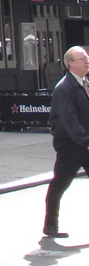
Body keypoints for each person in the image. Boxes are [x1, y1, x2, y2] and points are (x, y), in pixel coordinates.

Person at [43, 45, 89, 238]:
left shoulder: (85, 82)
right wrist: (85, 141)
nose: (87, 61)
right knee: (60, 184)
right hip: (70, 146)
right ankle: (50, 225)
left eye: (87, 58)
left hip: (85, 143)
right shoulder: (64, 88)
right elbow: (69, 119)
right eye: (82, 59)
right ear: (71, 63)